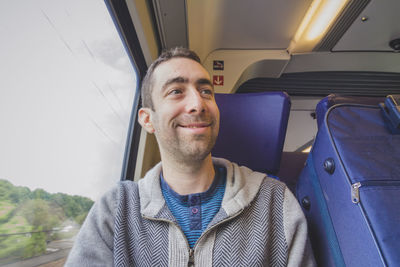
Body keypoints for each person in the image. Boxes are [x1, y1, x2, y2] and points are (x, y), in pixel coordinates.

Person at [66, 47, 315, 266]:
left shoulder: (275, 202)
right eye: (176, 91)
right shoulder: (115, 209)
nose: (198, 103)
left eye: (206, 91)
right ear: (147, 119)